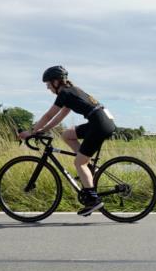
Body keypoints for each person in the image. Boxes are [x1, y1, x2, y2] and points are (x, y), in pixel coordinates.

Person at [18, 66, 116, 216]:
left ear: (56, 82)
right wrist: (41, 131)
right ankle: (88, 167)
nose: (48, 88)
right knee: (67, 134)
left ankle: (93, 200)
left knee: (79, 163)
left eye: (48, 84)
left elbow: (48, 115)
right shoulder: (72, 91)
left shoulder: (64, 93)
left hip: (99, 125)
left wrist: (31, 133)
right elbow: (58, 117)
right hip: (102, 122)